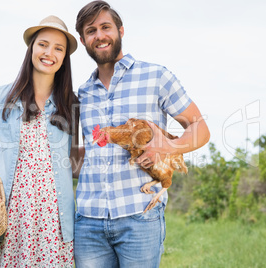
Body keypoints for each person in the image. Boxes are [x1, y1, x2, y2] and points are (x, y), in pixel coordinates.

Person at [73, 1, 210, 267]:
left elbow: (200, 128)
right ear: (83, 39)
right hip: (88, 222)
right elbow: (90, 154)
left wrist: (168, 148)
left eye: (105, 27)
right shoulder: (83, 93)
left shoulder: (156, 76)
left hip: (139, 216)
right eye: (91, 31)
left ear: (120, 31)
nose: (99, 35)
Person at [0, 15, 80, 267]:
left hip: (54, 213)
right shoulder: (2, 96)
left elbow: (72, 158)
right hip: (13, 208)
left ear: (64, 58)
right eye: (43, 44)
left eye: (58, 48)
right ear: (31, 47)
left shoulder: (71, 103)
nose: (49, 52)